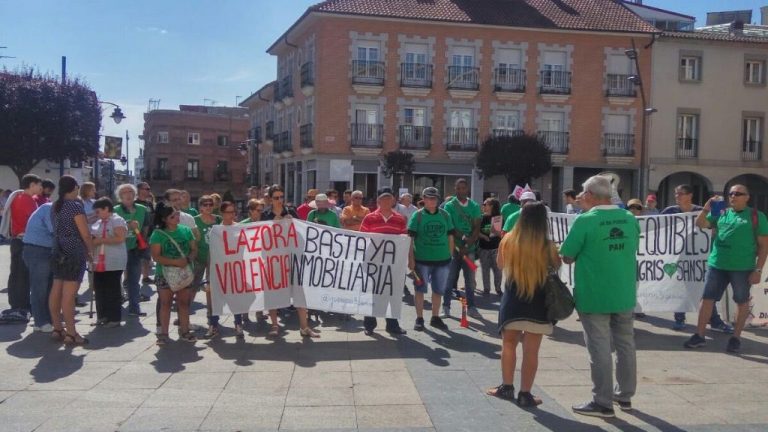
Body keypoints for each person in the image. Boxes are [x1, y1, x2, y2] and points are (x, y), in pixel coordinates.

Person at [560, 175, 640, 418]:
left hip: (594, 294)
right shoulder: (629, 217)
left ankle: (602, 402)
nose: (581, 197)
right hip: (624, 292)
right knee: (626, 344)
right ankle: (624, 395)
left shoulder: (586, 220)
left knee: (600, 349)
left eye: (584, 193)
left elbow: (567, 256)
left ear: (593, 195)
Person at [487, 202, 560, 407]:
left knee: (508, 344)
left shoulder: (509, 239)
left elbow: (501, 265)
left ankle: (506, 387)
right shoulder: (548, 244)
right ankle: (525, 394)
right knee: (531, 350)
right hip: (538, 302)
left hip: (513, 299)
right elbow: (556, 265)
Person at [685, 185, 768, 353]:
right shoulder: (721, 213)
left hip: (743, 268)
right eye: (731, 194)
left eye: (738, 194)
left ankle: (736, 338)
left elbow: (764, 246)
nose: (733, 196)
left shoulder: (756, 216)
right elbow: (700, 223)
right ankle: (699, 335)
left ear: (747, 197)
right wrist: (706, 208)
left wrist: (758, 270)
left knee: (741, 301)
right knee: (707, 299)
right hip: (717, 265)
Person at [661, 184, 731, 332]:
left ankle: (714, 320)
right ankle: (679, 319)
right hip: (678, 257)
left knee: (704, 290)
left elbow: (715, 227)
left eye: (681, 194)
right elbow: (659, 230)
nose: (677, 197)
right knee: (680, 288)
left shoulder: (701, 211)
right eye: (676, 194)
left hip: (700, 258)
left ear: (690, 195)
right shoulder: (669, 211)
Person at [261, 185, 319, 338]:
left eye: (282, 197)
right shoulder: (265, 215)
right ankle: (274, 325)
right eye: (276, 198)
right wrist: (273, 224)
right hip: (274, 260)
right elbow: (260, 238)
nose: (280, 201)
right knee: (272, 293)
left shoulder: (291, 212)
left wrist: (291, 222)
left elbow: (301, 232)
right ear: (270, 199)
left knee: (300, 292)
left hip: (292, 258)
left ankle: (304, 327)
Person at [49, 176, 93, 345]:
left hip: (57, 248)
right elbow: (85, 233)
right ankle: (71, 333)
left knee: (56, 288)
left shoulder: (56, 206)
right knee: (69, 294)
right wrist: (90, 251)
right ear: (74, 188)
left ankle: (57, 328)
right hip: (73, 249)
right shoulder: (75, 206)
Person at [361, 189, 409, 336]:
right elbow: (362, 238)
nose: (387, 203)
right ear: (378, 202)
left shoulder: (400, 219)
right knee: (372, 293)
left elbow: (404, 241)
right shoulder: (369, 218)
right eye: (384, 200)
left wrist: (408, 260)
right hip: (374, 262)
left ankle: (392, 325)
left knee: (392, 293)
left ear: (393, 202)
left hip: (393, 263)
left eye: (389, 200)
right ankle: (369, 325)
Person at [150, 201, 198, 345]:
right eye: (172, 216)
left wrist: (189, 259)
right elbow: (156, 256)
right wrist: (176, 262)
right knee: (165, 303)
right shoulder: (157, 234)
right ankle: (163, 334)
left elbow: (194, 249)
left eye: (176, 214)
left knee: (184, 303)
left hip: (184, 272)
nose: (176, 218)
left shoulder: (185, 230)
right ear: (164, 219)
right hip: (165, 273)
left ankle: (184, 330)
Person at [408, 186, 453, 331]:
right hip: (422, 260)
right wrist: (411, 259)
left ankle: (435, 317)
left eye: (434, 198)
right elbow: (410, 239)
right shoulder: (418, 215)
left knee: (438, 290)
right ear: (424, 199)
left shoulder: (445, 215)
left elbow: (450, 236)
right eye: (429, 197)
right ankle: (419, 318)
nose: (432, 200)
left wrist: (450, 255)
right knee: (420, 289)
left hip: (442, 261)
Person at [3, 174, 42, 321]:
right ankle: (20, 305)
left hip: (18, 240)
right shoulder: (27, 200)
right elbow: (34, 221)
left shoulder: (19, 198)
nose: (40, 188)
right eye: (38, 185)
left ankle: (20, 304)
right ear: (32, 185)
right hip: (23, 240)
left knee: (18, 273)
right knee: (21, 274)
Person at [442, 178, 482, 317]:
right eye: (458, 188)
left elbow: (477, 226)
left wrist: (468, 244)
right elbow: (450, 226)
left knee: (469, 281)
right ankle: (446, 307)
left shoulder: (474, 206)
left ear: (467, 189)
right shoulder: (450, 205)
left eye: (463, 188)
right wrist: (463, 240)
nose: (461, 191)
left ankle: (472, 307)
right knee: (449, 279)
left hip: (469, 250)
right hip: (453, 248)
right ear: (455, 189)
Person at [114, 184, 151, 316]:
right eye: (124, 192)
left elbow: (146, 225)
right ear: (120, 196)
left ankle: (134, 308)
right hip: (118, 249)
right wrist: (127, 225)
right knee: (115, 278)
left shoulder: (142, 209)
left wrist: (143, 241)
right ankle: (116, 303)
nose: (128, 194)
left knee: (134, 279)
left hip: (134, 248)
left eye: (131, 191)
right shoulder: (115, 210)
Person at [90, 198, 128, 327]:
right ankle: (102, 316)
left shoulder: (117, 220)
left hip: (113, 260)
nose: (97, 214)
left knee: (112, 289)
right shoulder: (98, 222)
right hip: (98, 261)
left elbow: (120, 238)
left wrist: (101, 240)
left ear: (106, 209)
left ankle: (114, 318)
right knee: (100, 289)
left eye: (98, 211)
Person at [22, 202, 55, 332]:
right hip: (38, 250)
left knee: (48, 288)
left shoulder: (51, 208)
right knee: (39, 288)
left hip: (45, 250)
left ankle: (44, 320)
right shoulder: (49, 208)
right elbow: (55, 231)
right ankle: (41, 321)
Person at [193, 196, 223, 339]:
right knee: (191, 288)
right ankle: (183, 318)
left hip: (214, 260)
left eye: (210, 204)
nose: (208, 206)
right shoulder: (195, 220)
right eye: (205, 204)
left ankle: (212, 320)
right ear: (200, 207)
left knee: (211, 291)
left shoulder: (218, 220)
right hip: (199, 259)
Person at [220, 201, 249, 337]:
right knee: (218, 297)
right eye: (228, 212)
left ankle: (238, 323)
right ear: (222, 213)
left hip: (237, 267)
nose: (231, 215)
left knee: (236, 297)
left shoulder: (239, 228)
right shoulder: (216, 230)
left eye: (233, 212)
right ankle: (213, 324)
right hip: (221, 268)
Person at [478, 197, 503, 296]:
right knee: (485, 270)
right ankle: (486, 289)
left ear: (491, 206)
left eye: (485, 204)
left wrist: (496, 231)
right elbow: (476, 232)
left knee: (498, 270)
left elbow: (502, 234)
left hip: (496, 248)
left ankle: (498, 288)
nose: (483, 206)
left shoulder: (499, 218)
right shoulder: (481, 217)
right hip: (483, 248)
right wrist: (483, 236)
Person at [135, 182, 155, 285]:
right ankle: (127, 279)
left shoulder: (149, 204)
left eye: (149, 189)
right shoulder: (134, 203)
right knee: (134, 258)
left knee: (146, 257)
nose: (148, 191)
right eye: (146, 189)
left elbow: (152, 217)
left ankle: (145, 277)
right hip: (136, 234)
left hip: (149, 234)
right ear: (139, 190)